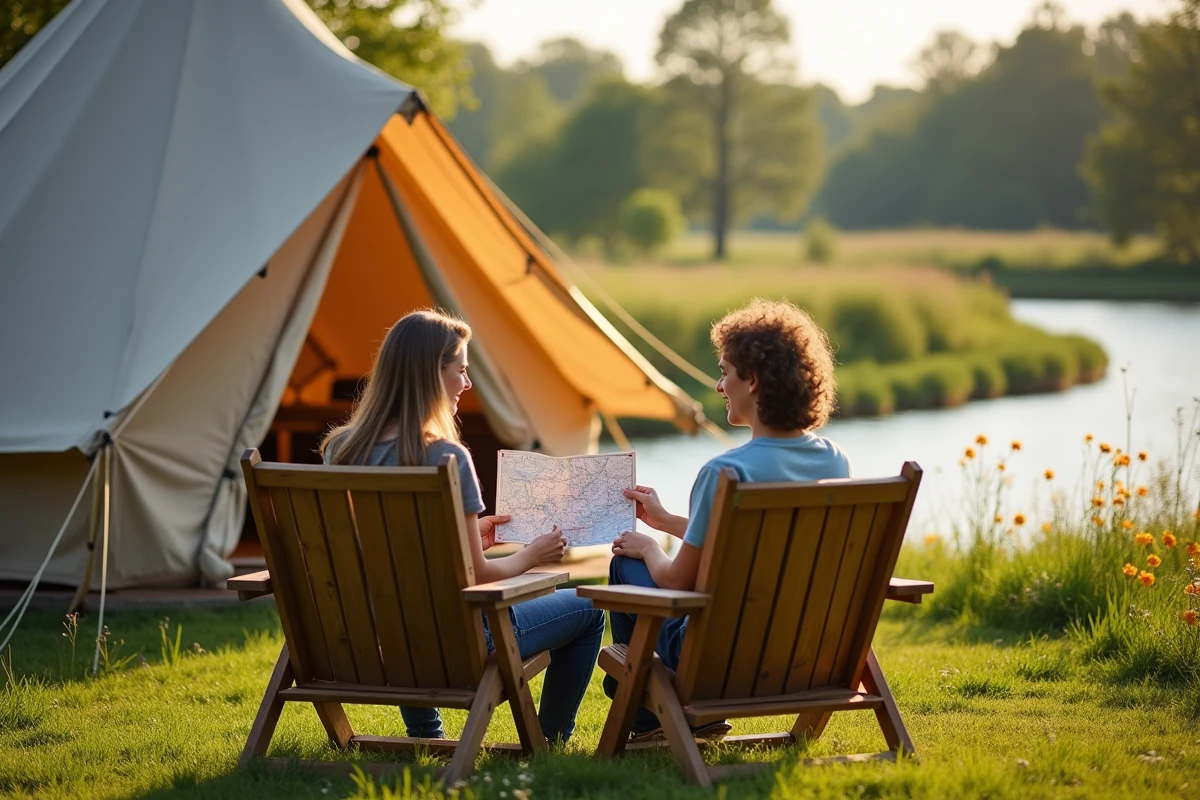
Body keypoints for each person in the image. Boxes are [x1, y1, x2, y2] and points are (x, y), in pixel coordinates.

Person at [321, 309, 604, 744]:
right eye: (462, 370)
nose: (468, 384)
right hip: (455, 646)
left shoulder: (339, 450)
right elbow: (479, 576)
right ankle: (548, 742)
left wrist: (466, 538)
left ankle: (427, 738)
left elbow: (393, 555)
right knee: (588, 611)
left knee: (405, 605)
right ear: (432, 374)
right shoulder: (445, 458)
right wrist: (532, 555)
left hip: (368, 641)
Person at [605, 298, 852, 741]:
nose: (719, 386)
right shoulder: (833, 462)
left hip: (717, 660)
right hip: (806, 652)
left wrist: (647, 546)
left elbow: (679, 582)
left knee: (626, 564)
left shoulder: (726, 472)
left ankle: (648, 715)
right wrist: (668, 522)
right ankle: (655, 709)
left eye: (724, 372)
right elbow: (754, 542)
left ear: (752, 381)